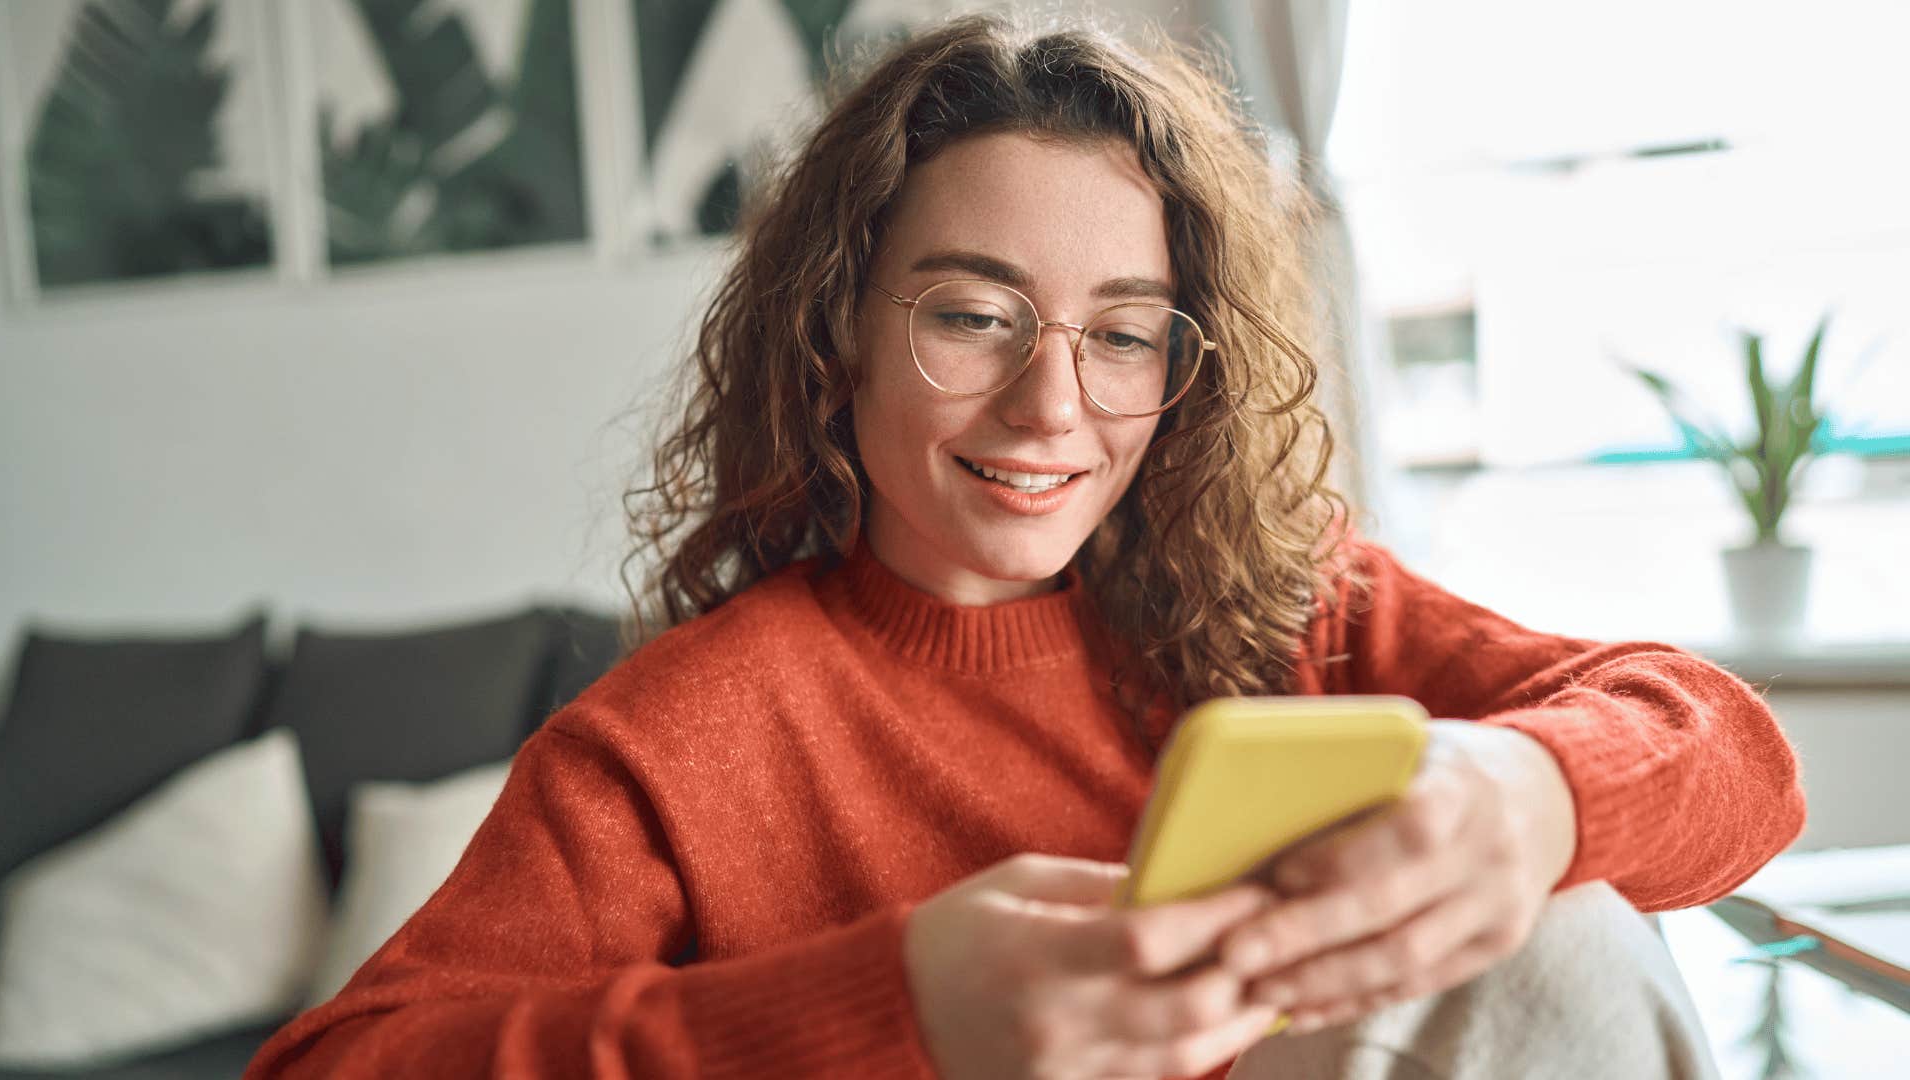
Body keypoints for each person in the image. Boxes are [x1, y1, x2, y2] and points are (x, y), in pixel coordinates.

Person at [246, 11, 1804, 1079]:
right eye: (974, 316)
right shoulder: (671, 748)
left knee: (1578, 921)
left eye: (1124, 334)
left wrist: (1529, 797)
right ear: (837, 327)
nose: (1053, 404)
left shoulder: (1291, 605)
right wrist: (897, 1007)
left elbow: (1735, 758)